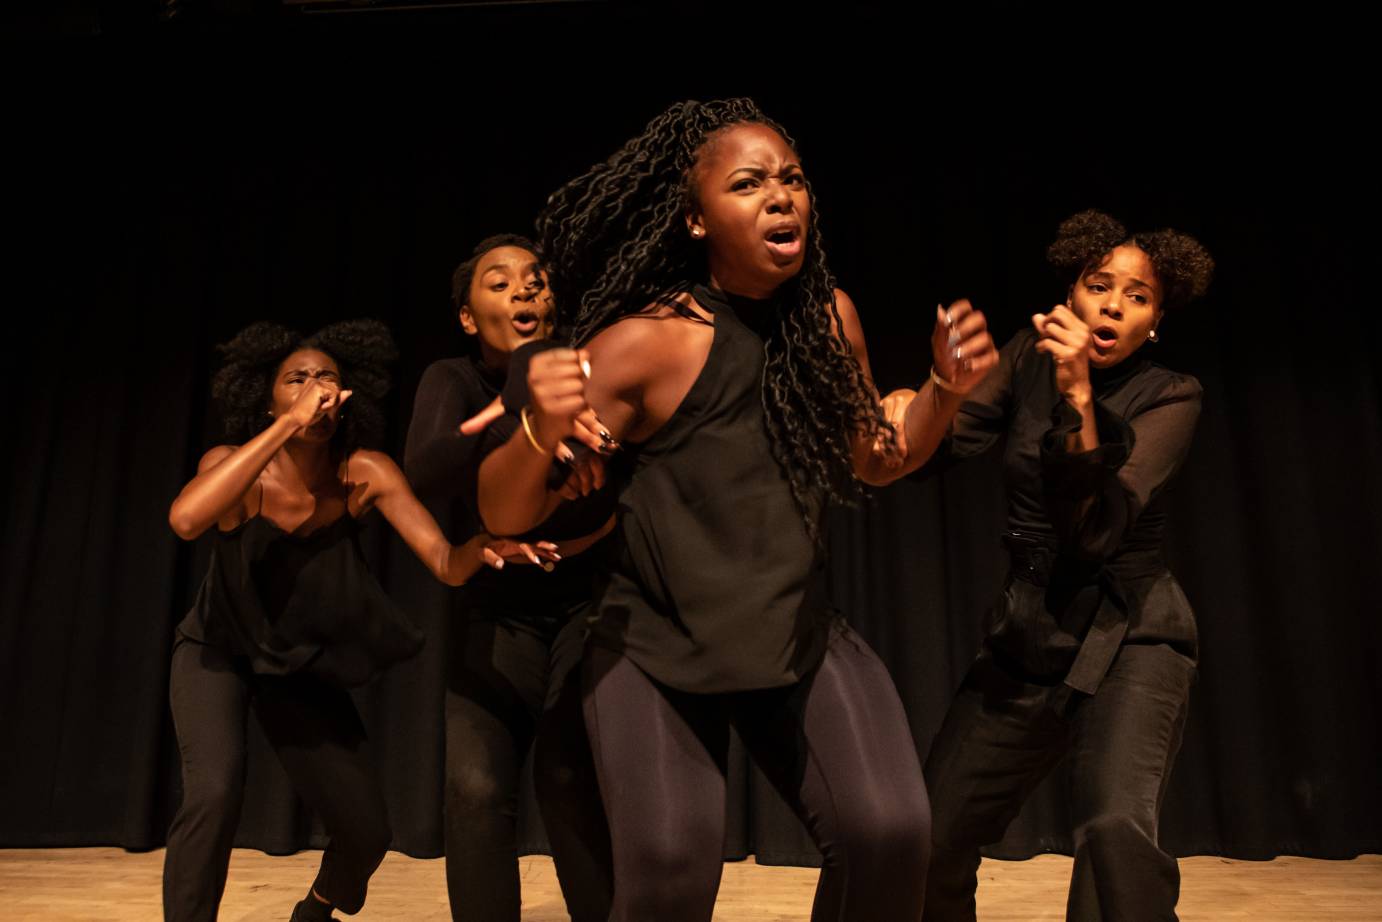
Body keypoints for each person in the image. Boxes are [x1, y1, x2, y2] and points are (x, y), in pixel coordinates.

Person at [475, 98, 997, 922]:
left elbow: (876, 457)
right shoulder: (644, 343)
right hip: (657, 650)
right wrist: (539, 427)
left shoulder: (829, 319)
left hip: (792, 633)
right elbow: (504, 513)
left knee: (891, 835)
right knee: (670, 878)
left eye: (792, 178)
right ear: (695, 219)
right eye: (748, 183)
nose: (780, 196)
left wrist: (944, 390)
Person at [163, 319, 529, 922]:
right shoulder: (233, 464)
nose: (316, 387)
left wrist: (484, 547)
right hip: (217, 651)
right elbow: (185, 520)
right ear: (268, 398)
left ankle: (314, 913)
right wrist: (287, 426)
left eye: (327, 377)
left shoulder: (365, 472)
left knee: (367, 831)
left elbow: (444, 562)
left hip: (297, 668)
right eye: (297, 379)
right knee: (215, 792)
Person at [908, 210, 1214, 921]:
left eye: (1137, 297)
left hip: (1129, 633)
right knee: (929, 837)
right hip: (1030, 635)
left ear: (1155, 323)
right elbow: (937, 449)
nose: (1113, 305)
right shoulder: (1025, 358)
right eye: (1098, 286)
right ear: (1069, 295)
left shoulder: (1172, 395)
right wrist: (933, 393)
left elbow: (1095, 534)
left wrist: (1077, 392)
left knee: (1113, 832)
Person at [404, 234, 613, 922]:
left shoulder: (589, 363)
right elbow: (426, 471)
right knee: (474, 788)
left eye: (536, 280)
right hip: (497, 608)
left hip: (591, 597)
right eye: (498, 283)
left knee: (567, 775)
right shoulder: (453, 379)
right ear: (468, 317)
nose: (524, 289)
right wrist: (515, 415)